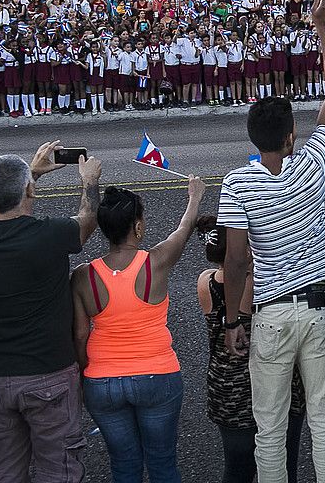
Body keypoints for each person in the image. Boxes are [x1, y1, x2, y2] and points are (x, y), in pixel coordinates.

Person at [218, 0, 325, 483]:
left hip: (270, 313)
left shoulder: (237, 183)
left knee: (268, 429)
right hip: (317, 308)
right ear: (292, 135)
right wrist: (323, 29)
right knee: (324, 422)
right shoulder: (311, 164)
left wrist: (234, 319)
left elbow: (235, 262)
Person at [71, 179, 208, 483]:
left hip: (102, 383)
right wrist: (195, 197)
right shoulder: (154, 263)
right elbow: (182, 232)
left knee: (123, 464)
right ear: (137, 227)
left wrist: (84, 377)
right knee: (162, 463)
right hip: (157, 376)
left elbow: (80, 335)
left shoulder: (83, 277)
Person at [0, 144, 102, 483]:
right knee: (59, 470)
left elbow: (0, 199)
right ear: (28, 191)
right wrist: (89, 182)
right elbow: (87, 220)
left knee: (5, 470)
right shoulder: (50, 235)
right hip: (48, 374)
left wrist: (31, 175)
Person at [198, 228, 307, 483]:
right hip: (269, 383)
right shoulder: (254, 282)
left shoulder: (205, 281)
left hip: (226, 387)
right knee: (282, 461)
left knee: (237, 468)